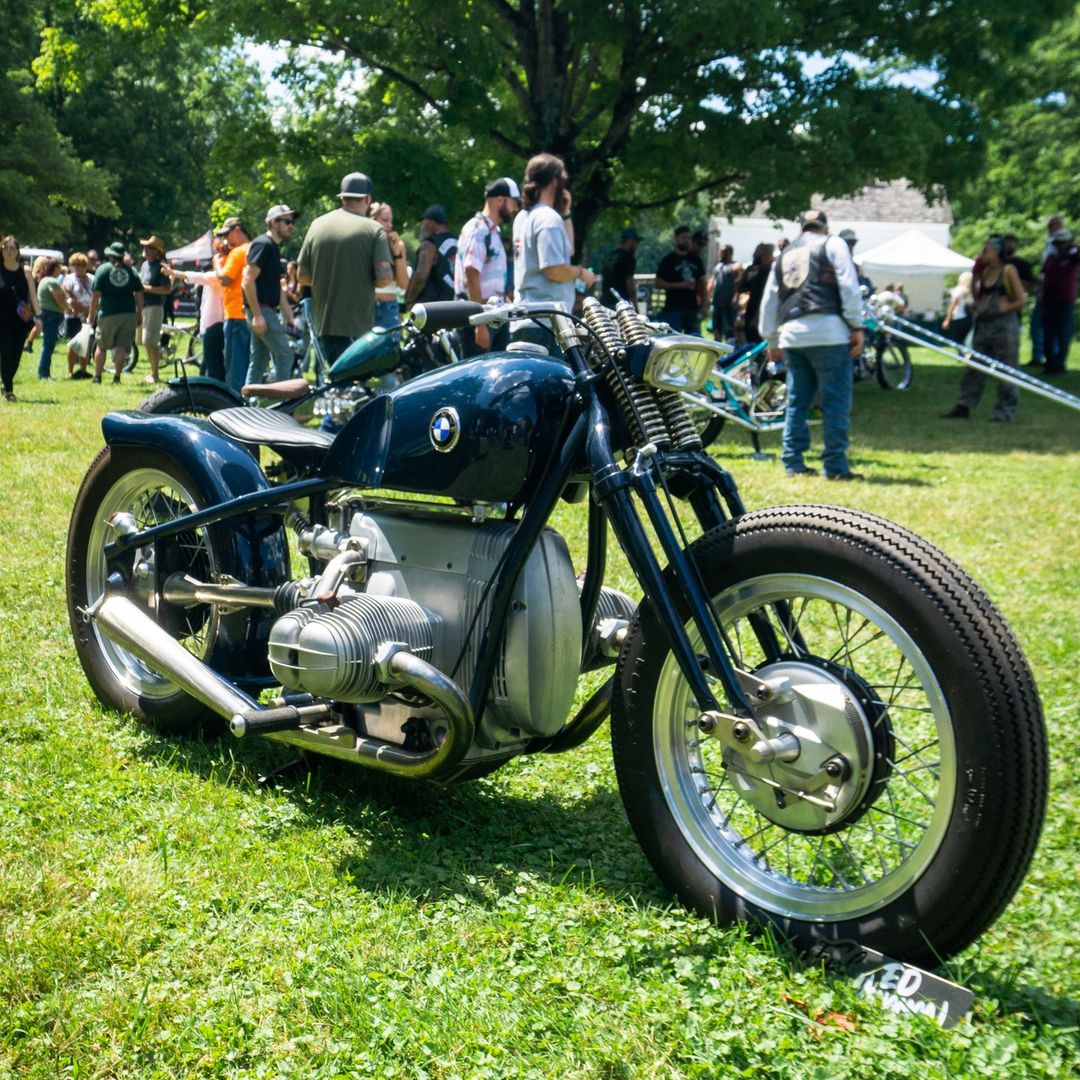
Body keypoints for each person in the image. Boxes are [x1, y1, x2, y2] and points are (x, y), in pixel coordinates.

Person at [759, 208, 865, 480]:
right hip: (829, 332)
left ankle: (792, 460)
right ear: (825, 227)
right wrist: (857, 325)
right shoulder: (834, 244)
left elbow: (770, 300)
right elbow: (848, 285)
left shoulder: (785, 253)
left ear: (801, 229)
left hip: (792, 334)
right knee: (835, 401)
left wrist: (771, 339)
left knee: (798, 400)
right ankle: (835, 466)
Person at [297, 172, 394, 363]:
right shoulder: (374, 229)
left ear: (342, 198)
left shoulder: (317, 225)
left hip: (326, 324)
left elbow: (302, 276)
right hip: (360, 326)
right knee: (362, 379)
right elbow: (384, 278)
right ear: (368, 198)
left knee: (334, 379)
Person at [511, 152, 597, 351]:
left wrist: (566, 214)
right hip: (548, 324)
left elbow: (568, 250)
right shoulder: (548, 218)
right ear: (555, 181)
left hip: (526, 319)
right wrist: (581, 273)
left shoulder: (523, 216)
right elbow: (554, 270)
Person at [941, 234, 1025, 421]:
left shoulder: (1009, 271)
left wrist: (1004, 308)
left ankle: (1005, 411)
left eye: (986, 250)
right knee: (975, 366)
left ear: (996, 252)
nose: (982, 254)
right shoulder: (985, 272)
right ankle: (964, 405)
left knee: (1006, 369)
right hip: (984, 325)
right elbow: (977, 294)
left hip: (1005, 328)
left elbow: (1021, 300)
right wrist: (976, 273)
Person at [454, 176, 521, 354]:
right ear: (500, 200)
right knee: (478, 370)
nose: (515, 208)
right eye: (514, 202)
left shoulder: (493, 231)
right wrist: (480, 323)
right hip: (479, 316)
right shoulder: (479, 229)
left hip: (493, 314)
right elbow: (471, 274)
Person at [243, 204, 299, 385]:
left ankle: (247, 400)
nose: (291, 226)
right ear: (274, 222)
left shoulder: (273, 248)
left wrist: (289, 317)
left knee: (259, 360)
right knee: (285, 355)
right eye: (287, 222)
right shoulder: (263, 244)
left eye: (292, 222)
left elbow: (276, 288)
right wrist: (257, 315)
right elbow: (247, 280)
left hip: (265, 311)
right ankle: (284, 400)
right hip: (262, 311)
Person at [165, 241, 226, 381]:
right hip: (210, 324)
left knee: (213, 363)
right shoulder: (214, 278)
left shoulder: (218, 277)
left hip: (215, 325)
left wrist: (174, 272)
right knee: (209, 361)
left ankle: (213, 388)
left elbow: (197, 276)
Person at [88, 241, 143, 384]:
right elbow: (139, 294)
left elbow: (95, 295)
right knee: (121, 347)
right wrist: (139, 313)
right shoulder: (131, 271)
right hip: (128, 313)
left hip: (108, 313)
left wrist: (91, 314)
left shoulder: (103, 269)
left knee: (101, 346)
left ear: (110, 255)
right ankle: (117, 377)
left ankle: (98, 377)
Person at [213, 217, 252, 391]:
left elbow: (225, 279)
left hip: (236, 315)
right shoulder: (255, 248)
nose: (226, 239)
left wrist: (216, 263)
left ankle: (234, 401)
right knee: (249, 362)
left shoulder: (237, 252)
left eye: (227, 234)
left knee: (235, 365)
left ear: (237, 229)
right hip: (252, 313)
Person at [0, 236, 40, 402]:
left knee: (15, 355)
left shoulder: (26, 271)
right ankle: (9, 390)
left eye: (12, 248)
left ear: (17, 251)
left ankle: (5, 382)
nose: (8, 251)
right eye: (5, 248)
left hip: (21, 320)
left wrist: (38, 316)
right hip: (1, 320)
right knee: (5, 353)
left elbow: (33, 296)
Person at [1037, 227, 1079, 375]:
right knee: (1048, 333)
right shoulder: (1051, 258)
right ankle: (1050, 363)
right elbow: (1043, 275)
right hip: (1049, 300)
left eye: (1063, 242)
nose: (1061, 245)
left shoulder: (1073, 258)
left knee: (1063, 334)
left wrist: (1073, 246)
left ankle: (1060, 364)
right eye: (1059, 243)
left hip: (1065, 301)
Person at [403, 204, 458, 308]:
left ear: (429, 223)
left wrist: (409, 299)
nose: (421, 227)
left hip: (431, 306)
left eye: (422, 223)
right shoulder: (457, 241)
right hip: (455, 303)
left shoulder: (430, 244)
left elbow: (421, 275)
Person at [654, 225, 706, 334]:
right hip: (673, 309)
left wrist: (704, 305)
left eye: (689, 238)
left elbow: (702, 283)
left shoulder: (696, 259)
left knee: (694, 340)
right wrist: (680, 285)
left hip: (692, 309)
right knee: (673, 339)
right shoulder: (668, 260)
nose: (687, 240)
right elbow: (658, 283)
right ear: (676, 239)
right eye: (684, 237)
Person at [1028, 215, 1063, 367]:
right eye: (1051, 225)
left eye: (1056, 225)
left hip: (1055, 291)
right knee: (1038, 324)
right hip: (1045, 288)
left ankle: (1052, 357)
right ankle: (1040, 356)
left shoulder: (1062, 246)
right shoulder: (1049, 243)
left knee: (1051, 325)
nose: (1053, 228)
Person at [369, 202, 410, 329]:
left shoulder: (398, 245)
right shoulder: (364, 243)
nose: (390, 225)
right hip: (366, 307)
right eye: (385, 220)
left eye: (391, 221)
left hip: (388, 307)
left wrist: (397, 253)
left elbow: (403, 284)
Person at [137, 235, 172, 384]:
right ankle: (153, 372)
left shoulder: (161, 267)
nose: (146, 250)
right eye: (146, 247)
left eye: (150, 247)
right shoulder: (145, 265)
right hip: (143, 306)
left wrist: (146, 288)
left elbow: (166, 289)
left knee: (150, 340)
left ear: (157, 252)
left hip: (155, 306)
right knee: (144, 341)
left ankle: (155, 374)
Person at [33, 256, 72, 381]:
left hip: (47, 314)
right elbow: (59, 299)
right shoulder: (52, 282)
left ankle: (44, 372)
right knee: (48, 346)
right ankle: (43, 373)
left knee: (48, 345)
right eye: (58, 267)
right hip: (51, 316)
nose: (60, 269)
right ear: (54, 268)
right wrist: (68, 309)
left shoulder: (44, 280)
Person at [63, 252, 94, 379]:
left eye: (79, 264)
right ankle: (70, 371)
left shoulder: (92, 279)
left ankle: (83, 370)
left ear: (85, 266)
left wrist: (90, 311)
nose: (76, 267)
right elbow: (68, 298)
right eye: (74, 264)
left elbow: (96, 296)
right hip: (73, 317)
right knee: (73, 344)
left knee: (84, 344)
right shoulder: (69, 279)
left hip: (87, 317)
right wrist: (84, 308)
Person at [737, 243, 774, 345]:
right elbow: (741, 288)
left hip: (766, 311)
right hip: (752, 310)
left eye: (757, 252)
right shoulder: (753, 270)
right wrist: (746, 273)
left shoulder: (772, 270)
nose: (754, 254)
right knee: (751, 337)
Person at [601, 227, 639, 309]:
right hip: (621, 303)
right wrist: (635, 307)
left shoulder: (609, 256)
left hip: (605, 301)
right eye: (636, 242)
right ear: (630, 241)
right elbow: (630, 283)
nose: (637, 246)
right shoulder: (628, 257)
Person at [706, 244, 738, 342]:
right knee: (716, 329)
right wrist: (707, 297)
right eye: (721, 252)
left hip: (728, 304)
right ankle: (717, 347)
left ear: (730, 253)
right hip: (716, 303)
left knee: (729, 330)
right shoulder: (718, 266)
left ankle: (730, 348)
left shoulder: (734, 266)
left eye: (724, 252)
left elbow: (738, 283)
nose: (721, 254)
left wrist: (735, 297)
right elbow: (711, 282)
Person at [941, 270, 974, 347]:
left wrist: (947, 320)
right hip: (970, 318)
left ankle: (962, 354)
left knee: (958, 341)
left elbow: (953, 305)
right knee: (966, 340)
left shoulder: (958, 290)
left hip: (959, 317)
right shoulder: (973, 291)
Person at [839, 229, 874, 295]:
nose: (851, 246)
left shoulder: (856, 266)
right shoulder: (831, 263)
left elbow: (864, 286)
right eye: (848, 242)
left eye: (853, 242)